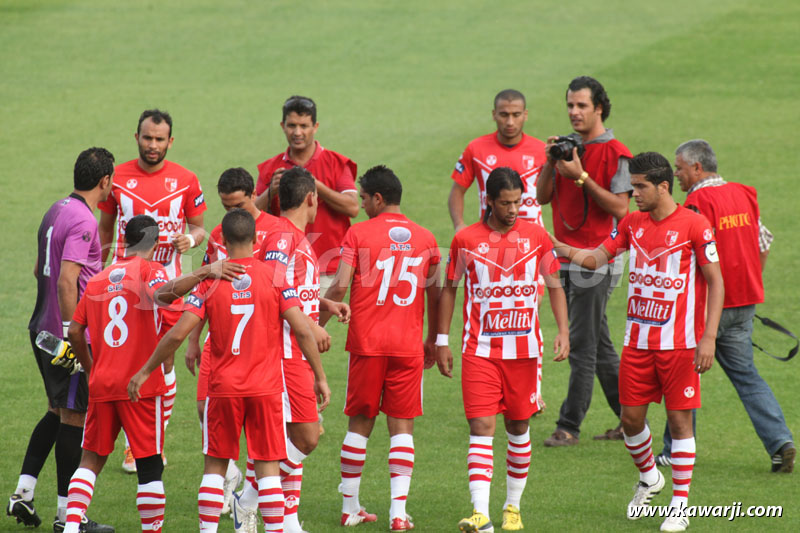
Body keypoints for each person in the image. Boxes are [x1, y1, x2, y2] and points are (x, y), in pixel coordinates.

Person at [128, 209, 331, 533]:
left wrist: (144, 371)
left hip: (223, 388)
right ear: (254, 239)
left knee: (214, 468)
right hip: (266, 389)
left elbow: (177, 332)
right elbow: (303, 330)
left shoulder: (211, 282)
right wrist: (320, 377)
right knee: (266, 469)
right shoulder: (275, 277)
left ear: (223, 239)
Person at [550, 152, 724, 532]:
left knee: (680, 424)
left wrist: (707, 337)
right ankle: (649, 477)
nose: (634, 193)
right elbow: (596, 259)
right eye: (633, 184)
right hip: (639, 343)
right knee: (630, 421)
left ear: (663, 186)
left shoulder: (695, 225)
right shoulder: (631, 223)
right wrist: (560, 248)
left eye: (641, 186)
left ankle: (680, 505)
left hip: (679, 345)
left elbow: (716, 281)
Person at [63, 215, 243, 533]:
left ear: (124, 240)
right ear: (157, 243)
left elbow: (76, 331)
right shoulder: (151, 272)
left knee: (89, 460)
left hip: (102, 383)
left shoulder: (97, 280)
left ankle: (70, 525)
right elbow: (166, 300)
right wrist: (204, 271)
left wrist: (93, 369)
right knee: (149, 463)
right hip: (141, 387)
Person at [437, 167, 569, 533]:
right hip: (479, 350)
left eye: (518, 202)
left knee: (517, 425)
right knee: (481, 426)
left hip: (525, 352)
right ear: (489, 201)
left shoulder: (536, 236)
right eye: (506, 203)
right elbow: (449, 288)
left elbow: (554, 284)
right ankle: (481, 513)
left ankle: (513, 506)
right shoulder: (466, 240)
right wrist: (442, 340)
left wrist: (563, 330)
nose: (513, 210)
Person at [656, 139, 794, 473]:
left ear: (697, 168)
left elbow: (687, 255)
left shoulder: (697, 201)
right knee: (747, 377)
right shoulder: (744, 193)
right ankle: (780, 442)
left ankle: (675, 450)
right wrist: (748, 281)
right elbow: (765, 241)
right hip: (745, 303)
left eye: (679, 168)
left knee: (683, 377)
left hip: (707, 309)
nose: (676, 175)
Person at [321, 165, 441, 532]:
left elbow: (340, 287)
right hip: (407, 348)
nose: (362, 204)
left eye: (364, 198)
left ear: (377, 198)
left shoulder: (358, 233)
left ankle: (350, 507)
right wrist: (434, 340)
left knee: (360, 423)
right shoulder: (426, 238)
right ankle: (398, 514)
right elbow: (435, 294)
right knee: (401, 427)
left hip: (367, 344)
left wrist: (315, 324)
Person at [233, 166, 349, 533]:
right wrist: (311, 326)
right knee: (306, 436)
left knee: (282, 437)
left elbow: (292, 290)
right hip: (284, 354)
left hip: (289, 350)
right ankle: (248, 499)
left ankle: (285, 519)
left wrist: (322, 307)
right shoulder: (285, 237)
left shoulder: (293, 236)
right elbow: (272, 287)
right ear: (312, 199)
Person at [8, 148, 115, 533]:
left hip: (40, 329)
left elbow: (41, 269)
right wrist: (73, 331)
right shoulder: (85, 220)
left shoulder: (55, 209)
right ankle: (69, 516)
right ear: (104, 180)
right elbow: (68, 279)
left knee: (57, 411)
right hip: (64, 337)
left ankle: (22, 493)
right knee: (75, 417)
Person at [98, 109, 207, 472]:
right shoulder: (117, 180)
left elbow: (200, 229)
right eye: (148, 138)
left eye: (160, 139)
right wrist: (99, 268)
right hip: (124, 286)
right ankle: (133, 443)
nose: (153, 145)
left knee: (164, 358)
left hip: (167, 286)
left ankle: (150, 441)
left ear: (170, 141)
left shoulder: (186, 179)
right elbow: (105, 228)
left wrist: (189, 239)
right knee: (127, 357)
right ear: (137, 137)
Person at [536, 76, 633, 446]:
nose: (574, 112)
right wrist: (551, 162)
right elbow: (543, 197)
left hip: (599, 260)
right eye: (570, 106)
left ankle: (568, 426)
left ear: (599, 109)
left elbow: (622, 210)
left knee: (581, 345)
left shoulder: (617, 153)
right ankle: (630, 421)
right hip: (564, 256)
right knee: (601, 347)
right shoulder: (566, 149)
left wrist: (582, 178)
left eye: (581, 106)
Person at [184, 167, 281, 517]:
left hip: (263, 342)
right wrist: (195, 339)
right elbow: (203, 289)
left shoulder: (275, 232)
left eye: (236, 204)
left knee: (269, 446)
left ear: (253, 196)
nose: (231, 213)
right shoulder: (218, 234)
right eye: (225, 206)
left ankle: (248, 500)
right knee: (202, 410)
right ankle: (238, 485)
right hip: (222, 337)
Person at [254, 95, 359, 284]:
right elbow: (250, 214)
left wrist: (314, 184)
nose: (297, 132)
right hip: (283, 263)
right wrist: (271, 191)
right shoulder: (271, 168)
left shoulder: (336, 163)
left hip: (327, 265)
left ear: (315, 127)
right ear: (282, 126)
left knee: (313, 314)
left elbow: (352, 208)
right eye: (292, 125)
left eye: (304, 126)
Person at [448, 89, 547, 232]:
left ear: (525, 115)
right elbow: (457, 191)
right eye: (504, 115)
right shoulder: (476, 149)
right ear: (494, 115)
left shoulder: (541, 151)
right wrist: (459, 225)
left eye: (516, 115)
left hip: (532, 238)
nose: (510, 122)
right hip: (489, 237)